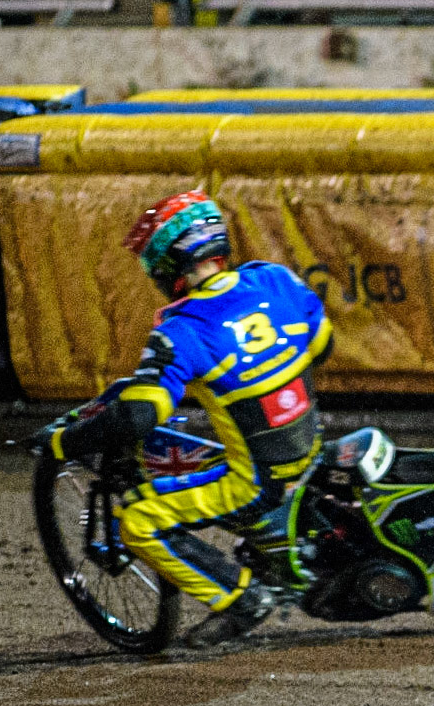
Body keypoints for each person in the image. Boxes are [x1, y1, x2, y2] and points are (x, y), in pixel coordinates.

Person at [45, 190, 332, 648]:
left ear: (167, 264)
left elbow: (139, 416)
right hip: (311, 444)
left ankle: (240, 599)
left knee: (137, 522)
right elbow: (323, 344)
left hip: (258, 483)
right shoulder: (274, 279)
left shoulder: (182, 330)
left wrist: (66, 444)